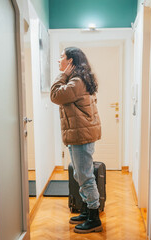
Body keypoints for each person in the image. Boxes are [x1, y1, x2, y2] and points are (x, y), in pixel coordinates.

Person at [50, 47, 102, 233]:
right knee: (79, 175)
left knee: (85, 177)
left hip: (81, 135)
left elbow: (55, 96)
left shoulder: (77, 81)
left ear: (70, 61)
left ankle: (94, 218)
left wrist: (61, 75)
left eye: (62, 57)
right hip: (79, 135)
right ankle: (87, 210)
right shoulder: (77, 80)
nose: (59, 61)